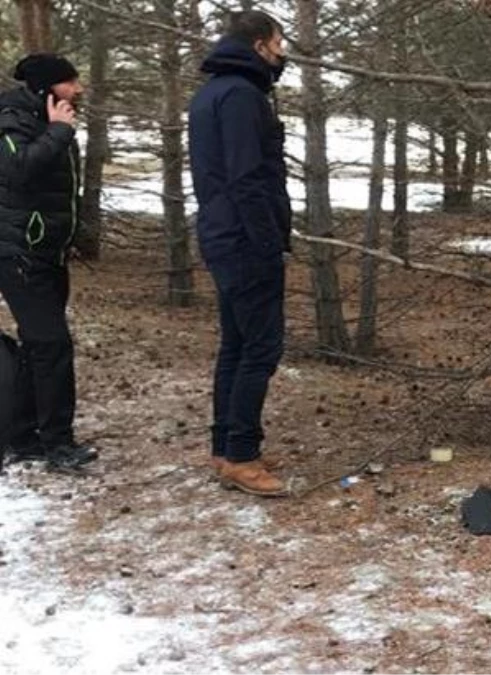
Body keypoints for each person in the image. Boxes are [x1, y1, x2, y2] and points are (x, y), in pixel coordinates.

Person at [188, 10, 290, 496]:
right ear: (258, 45)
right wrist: (268, 241)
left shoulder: (213, 92)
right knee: (261, 348)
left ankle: (226, 446)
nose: (282, 50)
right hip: (244, 240)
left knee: (236, 343)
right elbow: (247, 178)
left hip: (223, 234)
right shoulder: (242, 97)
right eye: (279, 41)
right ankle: (242, 457)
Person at [0, 53, 98, 470]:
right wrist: (59, 131)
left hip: (47, 253)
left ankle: (23, 437)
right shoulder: (10, 121)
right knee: (52, 345)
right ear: (45, 89)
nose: (78, 89)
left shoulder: (48, 121)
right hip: (18, 254)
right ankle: (58, 445)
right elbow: (18, 170)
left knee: (38, 346)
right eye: (70, 82)